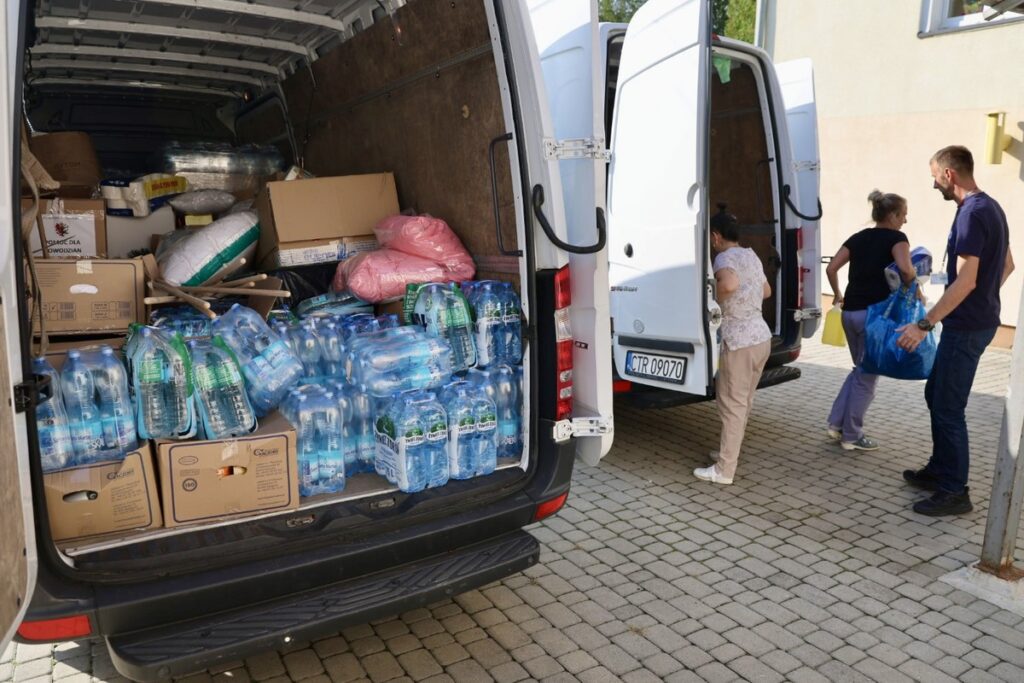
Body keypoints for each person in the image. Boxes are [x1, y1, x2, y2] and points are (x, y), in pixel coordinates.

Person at [897, 145, 1014, 516]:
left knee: (948, 407)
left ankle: (954, 491)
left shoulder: (971, 214)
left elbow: (966, 280)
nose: (934, 185)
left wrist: (924, 323)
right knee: (937, 395)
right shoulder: (990, 208)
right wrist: (983, 299)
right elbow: (1007, 265)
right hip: (975, 322)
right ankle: (940, 469)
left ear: (949, 175)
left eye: (935, 177)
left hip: (966, 328)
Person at [825, 190, 917, 451]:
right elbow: (907, 269)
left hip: (850, 313)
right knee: (868, 376)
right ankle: (852, 436)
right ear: (892, 215)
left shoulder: (858, 237)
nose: (905, 221)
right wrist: (914, 288)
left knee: (860, 370)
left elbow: (831, 267)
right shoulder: (897, 238)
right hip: (874, 316)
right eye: (903, 215)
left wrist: (837, 293)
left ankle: (835, 424)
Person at [694, 206, 771, 485]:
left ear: (715, 236)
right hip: (760, 337)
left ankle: (724, 470)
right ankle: (728, 452)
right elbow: (766, 291)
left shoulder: (723, 257)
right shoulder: (751, 255)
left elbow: (728, 285)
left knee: (731, 404)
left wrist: (713, 296)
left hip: (738, 340)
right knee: (744, 401)